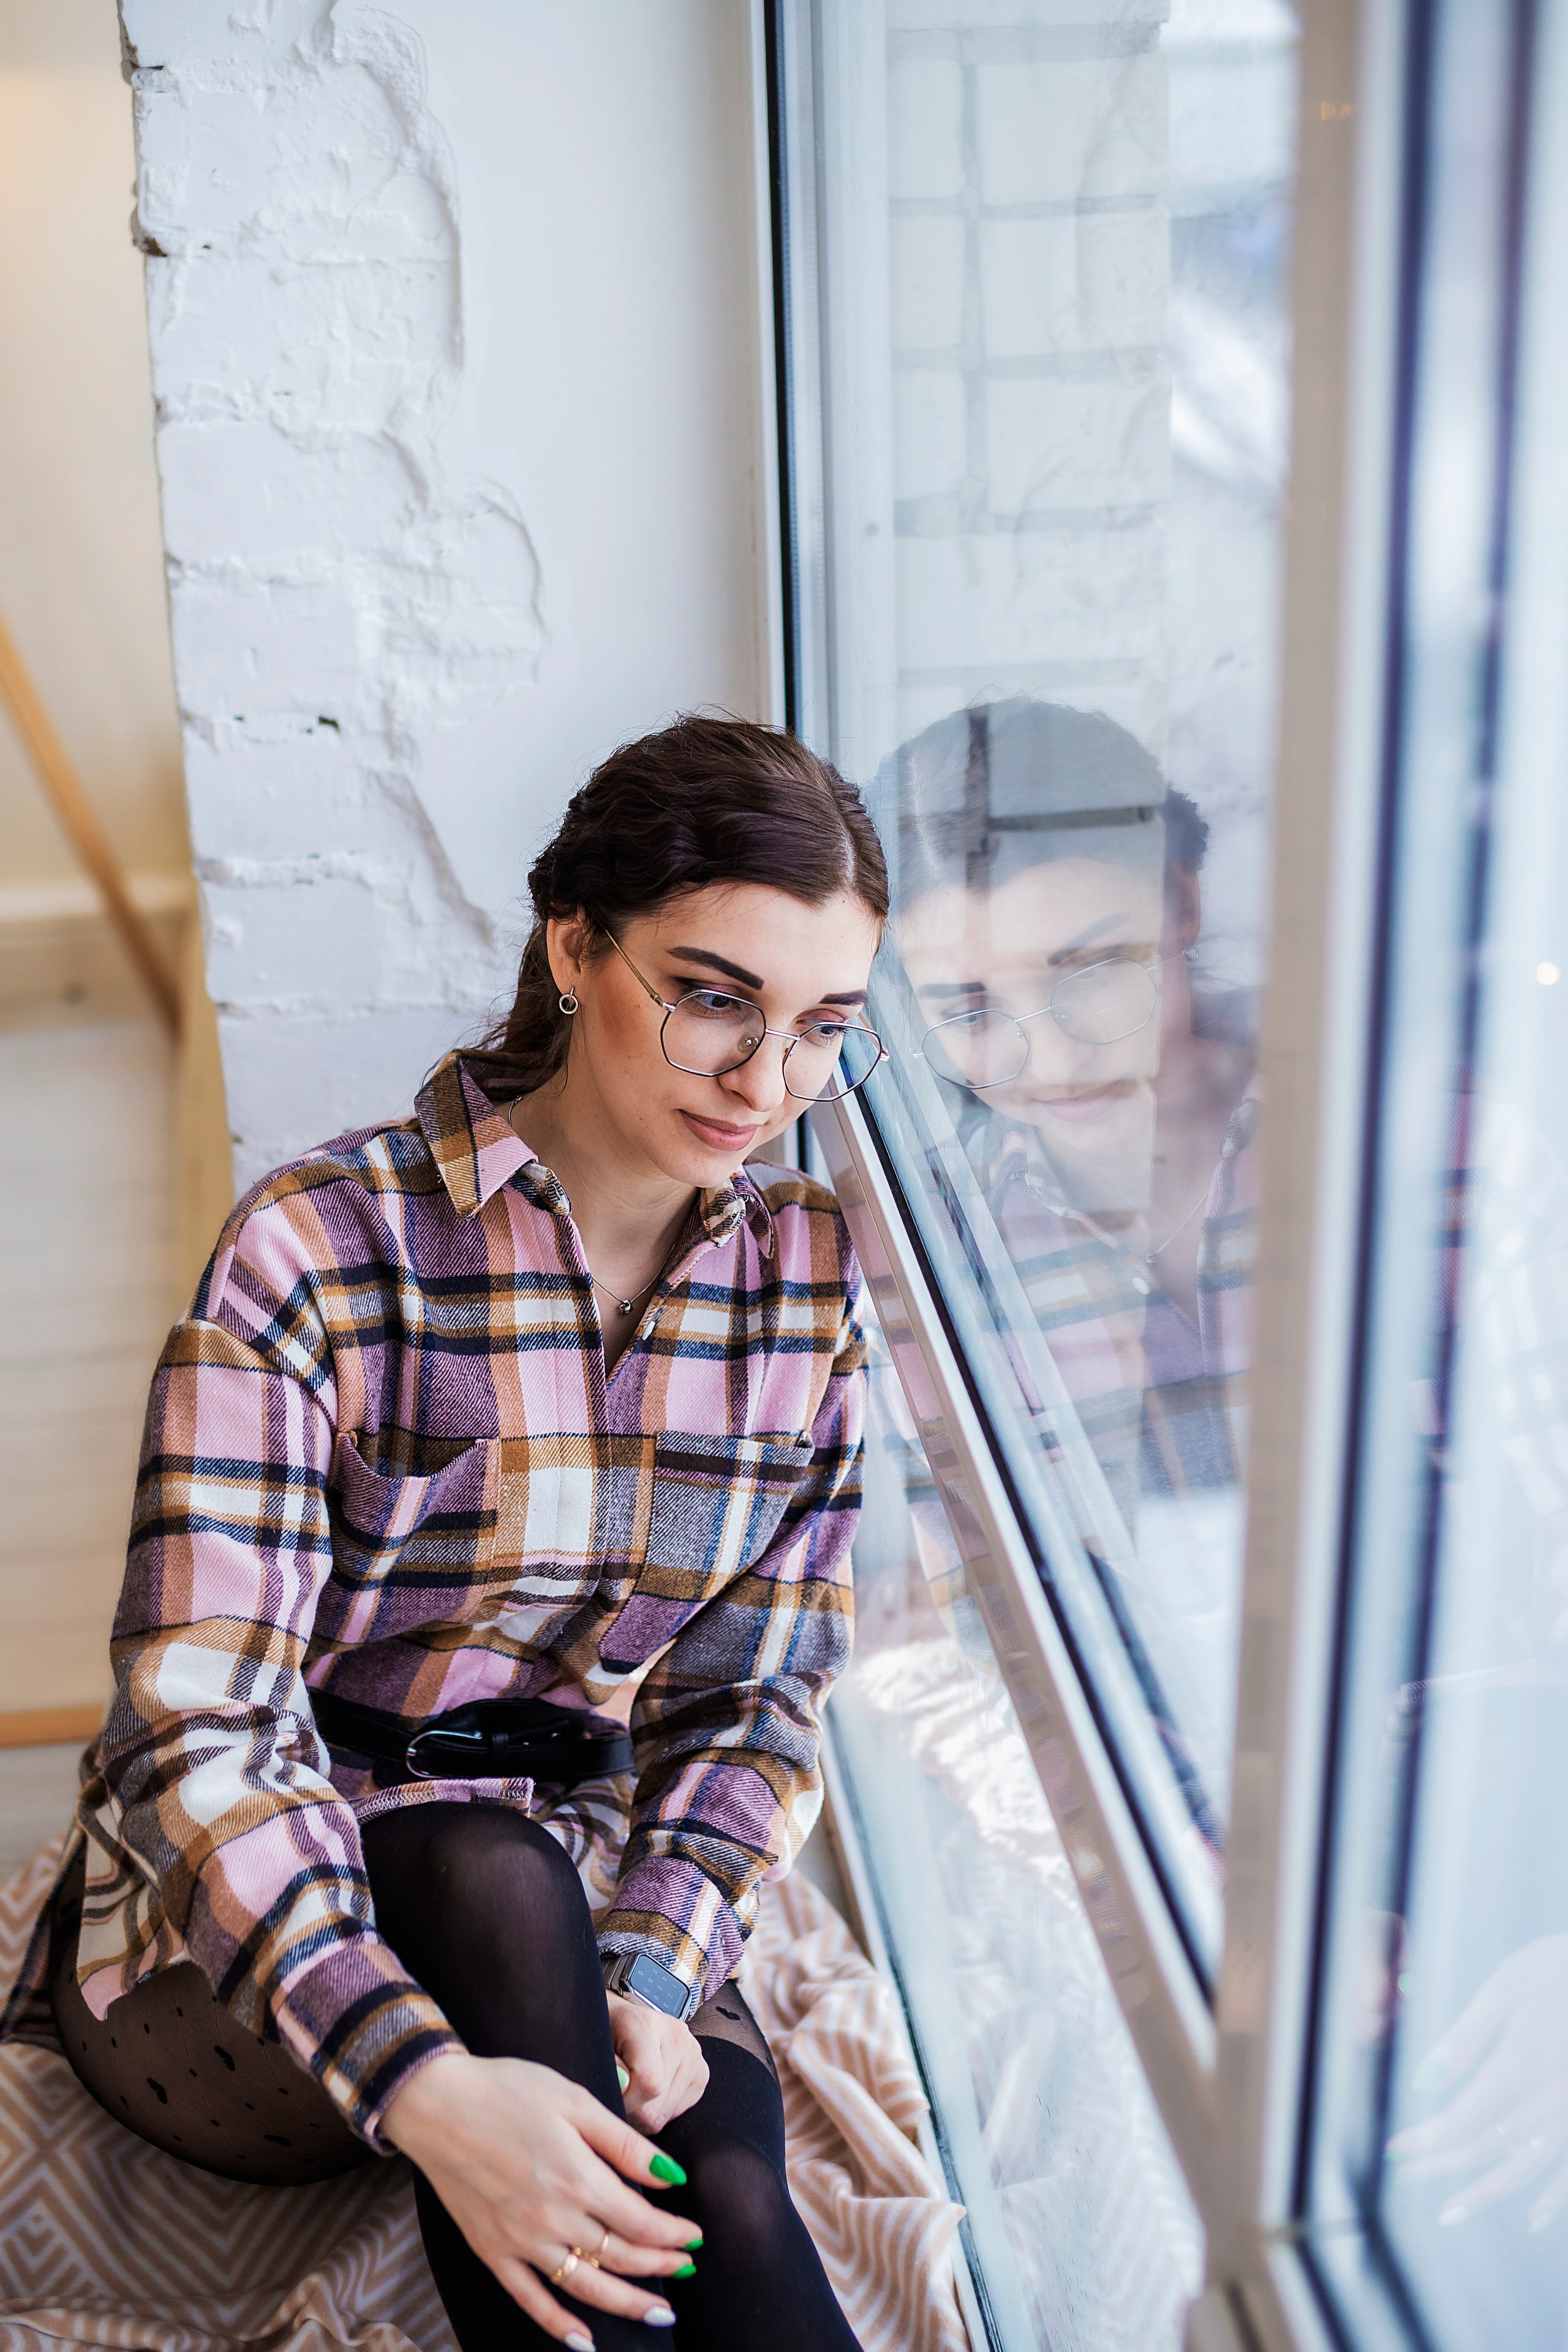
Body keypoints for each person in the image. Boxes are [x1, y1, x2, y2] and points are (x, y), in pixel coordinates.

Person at [0, 717, 888, 2352]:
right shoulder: (322, 1251)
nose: (769, 1087)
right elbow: (197, 1718)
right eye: (713, 999)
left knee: (740, 2206)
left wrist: (658, 1969)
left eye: (825, 1028)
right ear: (575, 943)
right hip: (255, 1946)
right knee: (495, 1882)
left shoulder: (806, 1287)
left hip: (575, 1880)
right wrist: (424, 2082)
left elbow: (757, 1693)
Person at [881, 699, 1261, 1847]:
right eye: (966, 1006)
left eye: (1094, 969)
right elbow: (996, 1674)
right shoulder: (949, 1271)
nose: (1043, 1060)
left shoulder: (1434, 1153)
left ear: (1184, 903)